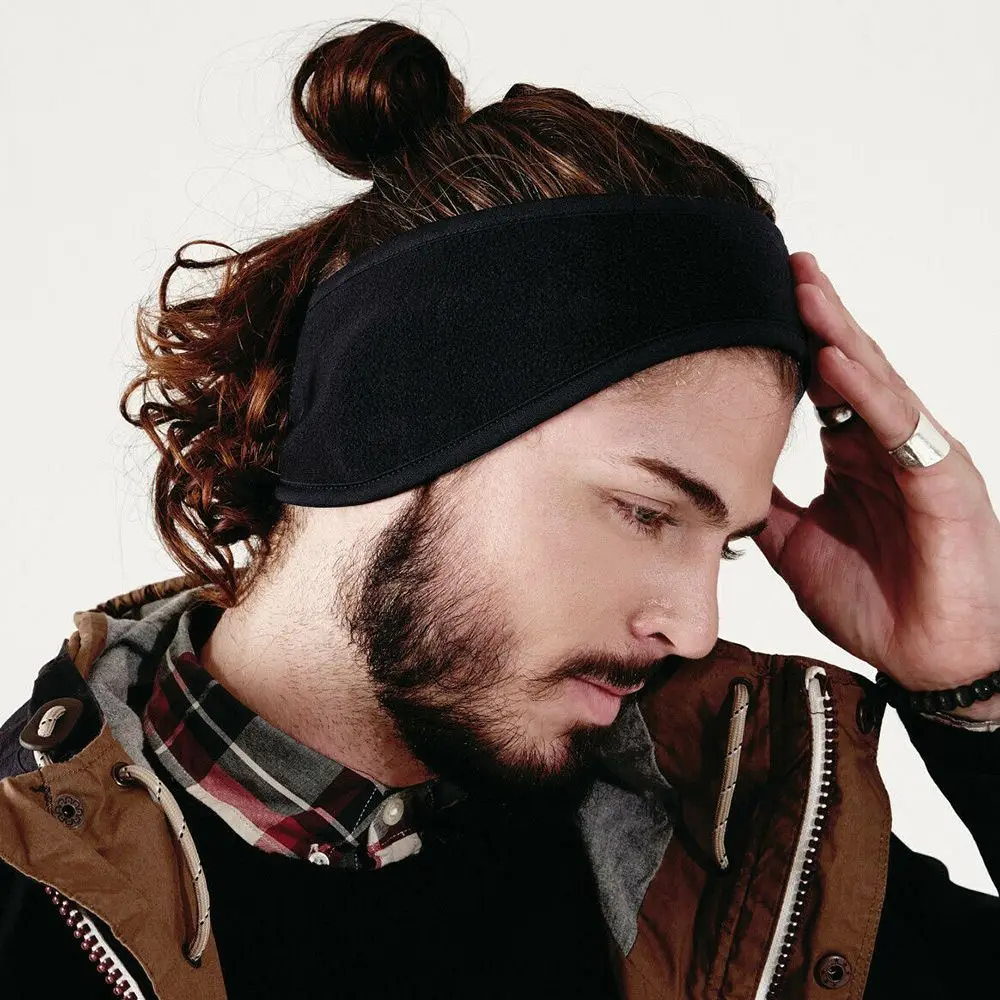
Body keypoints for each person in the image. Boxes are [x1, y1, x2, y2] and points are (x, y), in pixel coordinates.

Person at [1, 16, 998, 1000]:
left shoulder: (748, 873)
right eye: (647, 512)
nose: (693, 628)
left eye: (726, 545)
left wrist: (974, 684)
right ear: (392, 423)